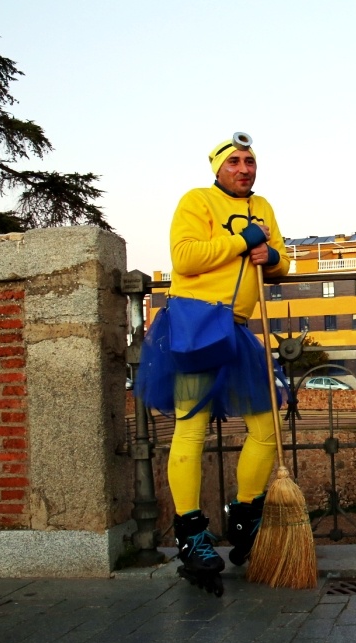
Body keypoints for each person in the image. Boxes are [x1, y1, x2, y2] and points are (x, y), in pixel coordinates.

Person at [137, 133, 289, 596]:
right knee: (191, 428)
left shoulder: (263, 205)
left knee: (266, 425)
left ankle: (245, 522)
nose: (244, 169)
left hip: (239, 327)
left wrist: (273, 256)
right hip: (197, 322)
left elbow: (282, 264)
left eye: (250, 161)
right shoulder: (196, 200)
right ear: (218, 168)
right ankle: (193, 536)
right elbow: (184, 258)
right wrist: (243, 241)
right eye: (235, 162)